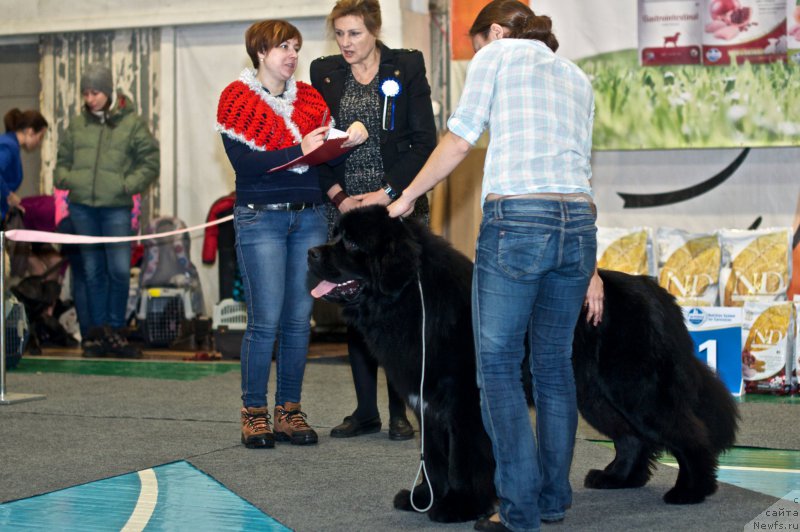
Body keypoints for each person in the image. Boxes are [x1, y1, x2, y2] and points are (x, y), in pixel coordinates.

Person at [388, 1, 600, 530]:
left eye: (478, 41)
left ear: (498, 32)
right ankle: (551, 500)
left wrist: (405, 198)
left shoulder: (497, 56)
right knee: (553, 368)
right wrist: (591, 266)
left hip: (518, 220)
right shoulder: (577, 77)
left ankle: (519, 510)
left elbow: (460, 139)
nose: (477, 52)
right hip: (578, 223)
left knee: (499, 371)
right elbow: (581, 167)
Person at [217, 19, 364, 449]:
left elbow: (322, 163)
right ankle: (254, 413)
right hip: (260, 217)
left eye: (296, 47)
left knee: (300, 321)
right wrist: (298, 150)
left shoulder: (311, 100)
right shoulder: (235, 98)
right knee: (265, 321)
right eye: (283, 46)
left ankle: (289, 410)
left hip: (310, 217)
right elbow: (245, 166)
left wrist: (344, 140)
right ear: (260, 52)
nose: (292, 55)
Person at [310, 0, 437, 441]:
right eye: (340, 34)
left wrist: (386, 195)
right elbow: (316, 147)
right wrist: (341, 198)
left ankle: (399, 409)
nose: (346, 43)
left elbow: (425, 142)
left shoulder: (406, 67)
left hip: (397, 205)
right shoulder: (323, 74)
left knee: (401, 308)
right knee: (356, 307)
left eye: (355, 34)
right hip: (347, 210)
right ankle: (366, 411)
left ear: (375, 31)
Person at [54, 63, 159, 358]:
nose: (90, 99)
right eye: (86, 93)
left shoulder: (131, 123)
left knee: (120, 270)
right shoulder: (77, 125)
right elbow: (61, 160)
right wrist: (67, 179)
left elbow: (150, 160)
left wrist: (128, 185)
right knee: (92, 272)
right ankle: (98, 332)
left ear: (109, 91)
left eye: (96, 92)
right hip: (82, 208)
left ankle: (115, 330)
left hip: (116, 209)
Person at [1, 109, 48, 222]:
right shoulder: (8, 146)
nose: (39, 142)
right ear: (30, 131)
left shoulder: (10, 144)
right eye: (40, 136)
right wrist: (9, 195)